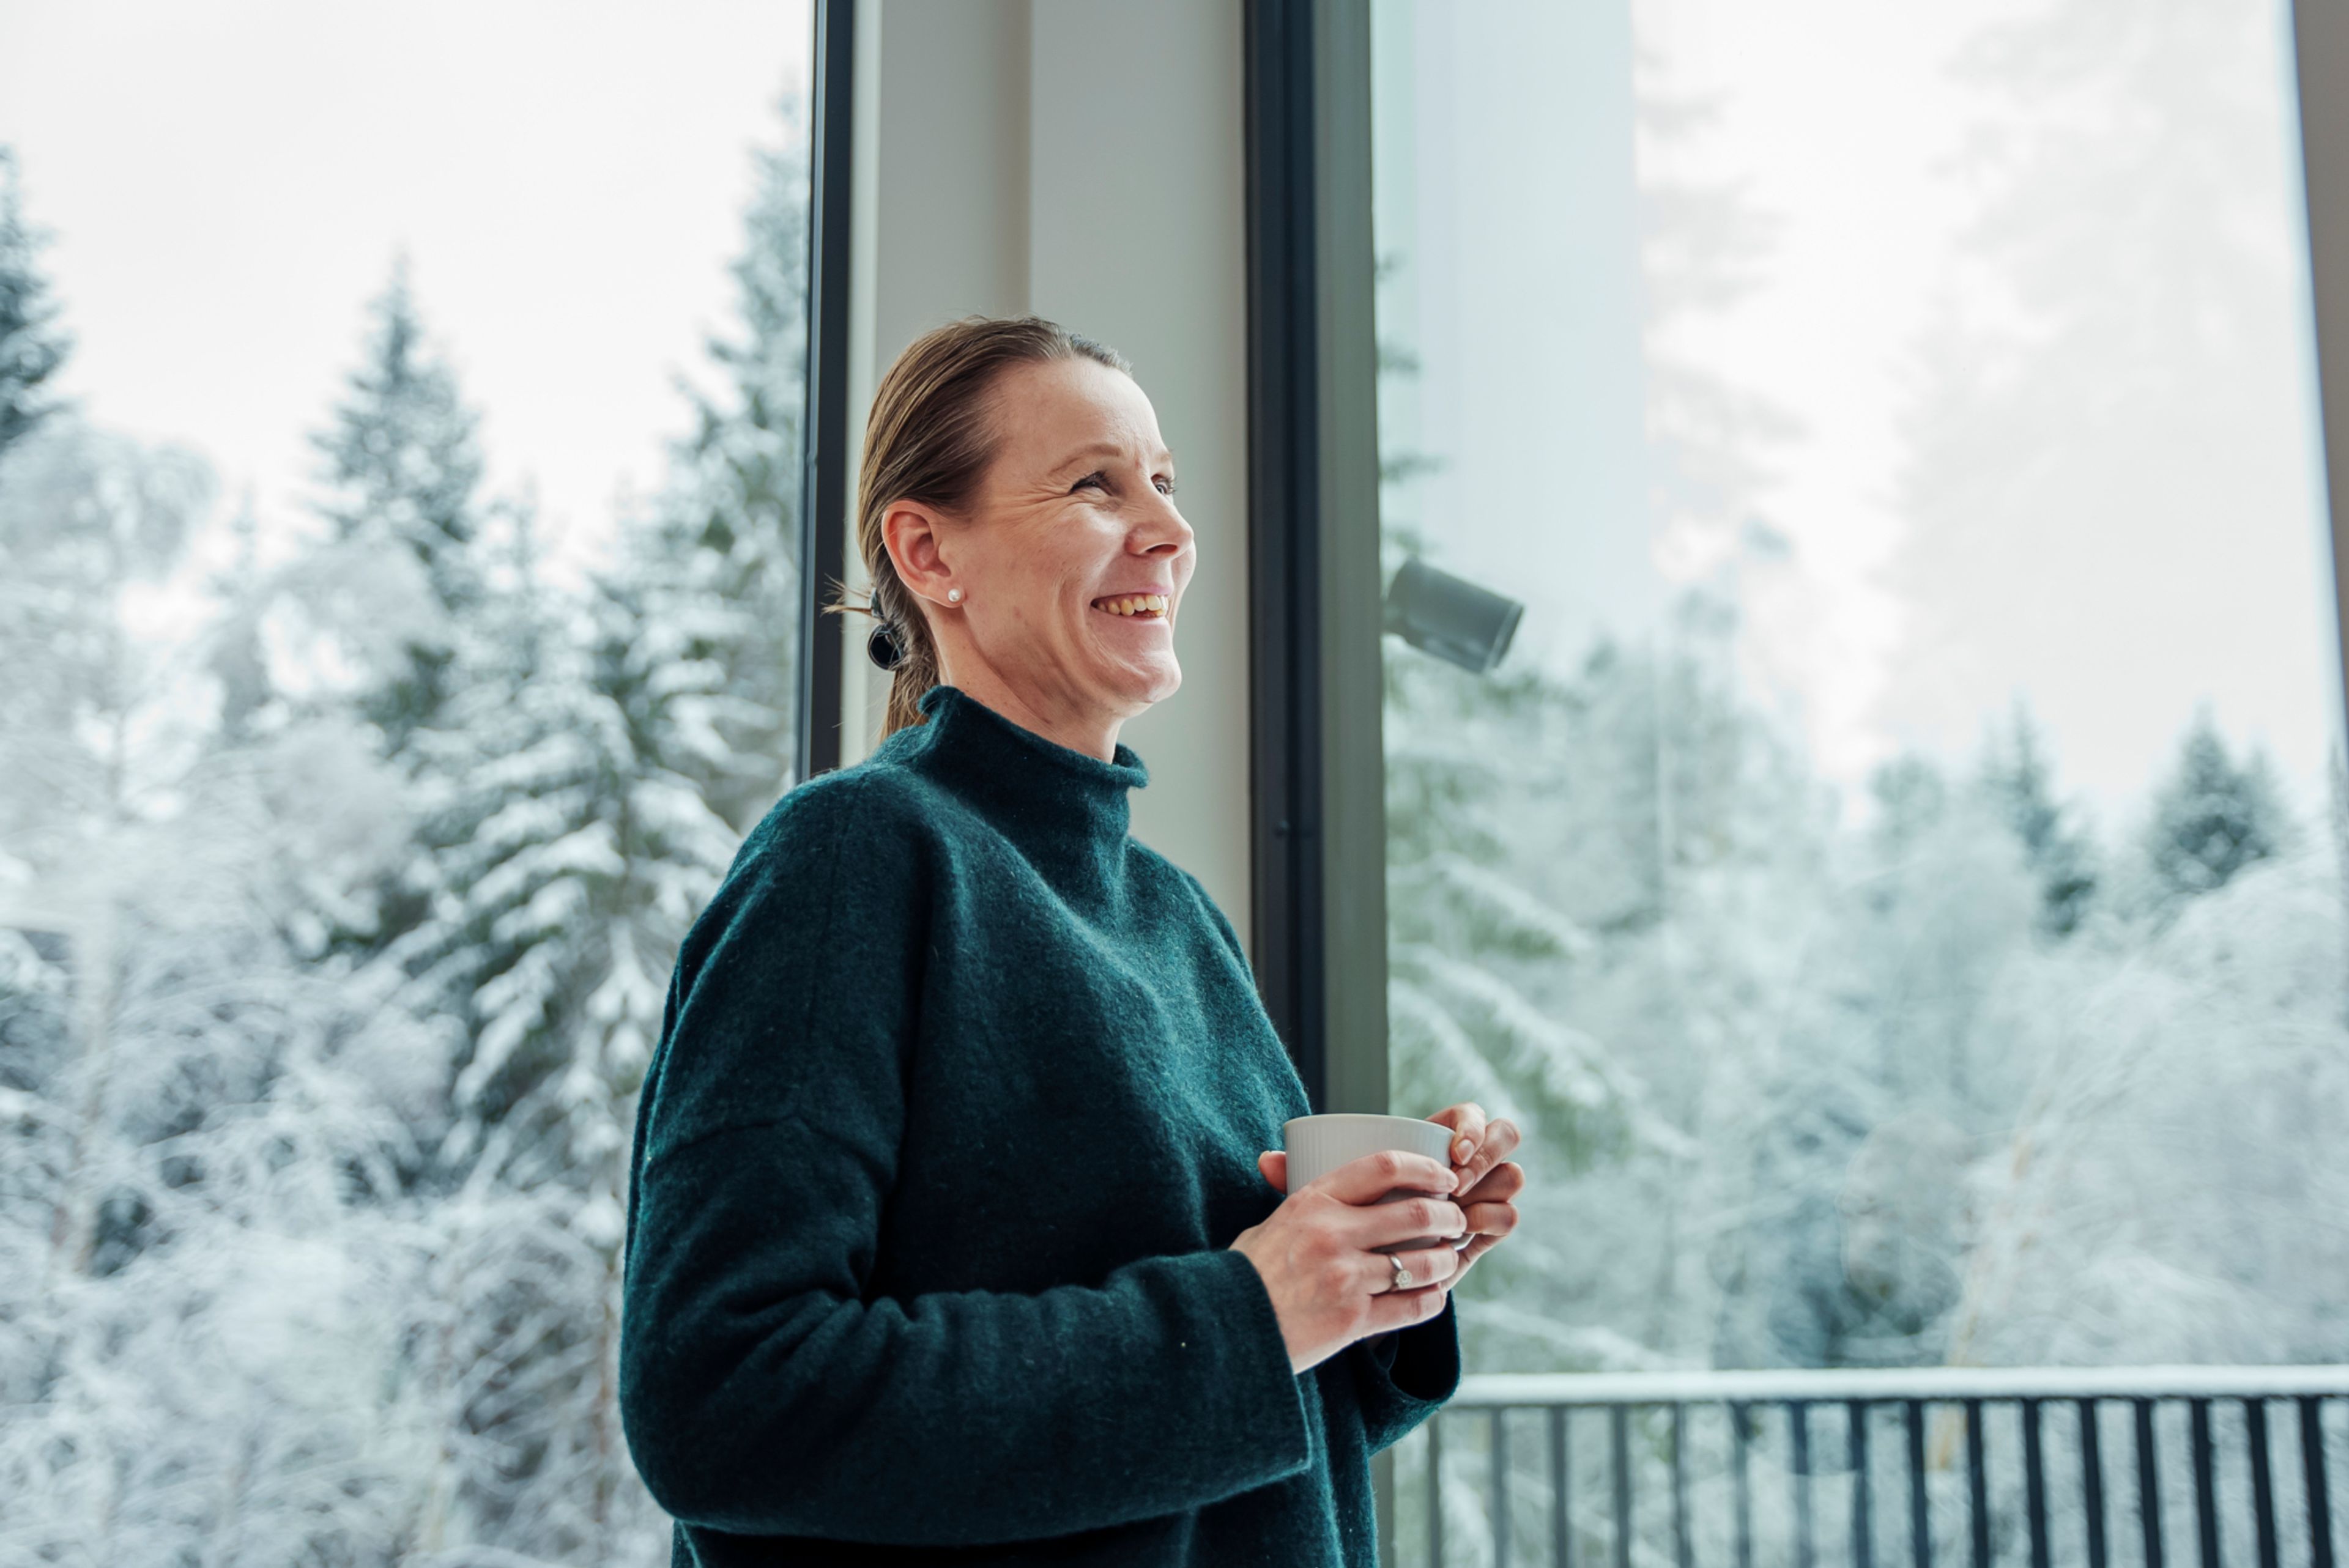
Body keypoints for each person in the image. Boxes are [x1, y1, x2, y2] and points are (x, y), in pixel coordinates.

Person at [617, 314, 1527, 1566]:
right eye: (1096, 484)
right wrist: (1254, 1315)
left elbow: (1231, 1454)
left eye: (1163, 480)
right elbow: (722, 1401)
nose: (1167, 527)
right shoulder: (853, 859)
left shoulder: (1179, 916)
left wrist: (1377, 1276)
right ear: (929, 550)